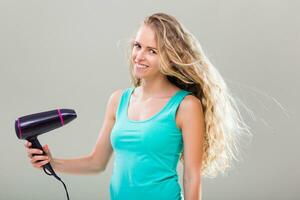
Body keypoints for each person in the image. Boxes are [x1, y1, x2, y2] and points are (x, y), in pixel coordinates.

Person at [25, 13, 250, 200]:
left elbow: (192, 177)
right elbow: (97, 163)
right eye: (138, 46)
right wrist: (52, 162)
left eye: (152, 51)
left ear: (170, 57)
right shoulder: (118, 100)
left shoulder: (185, 106)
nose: (139, 56)